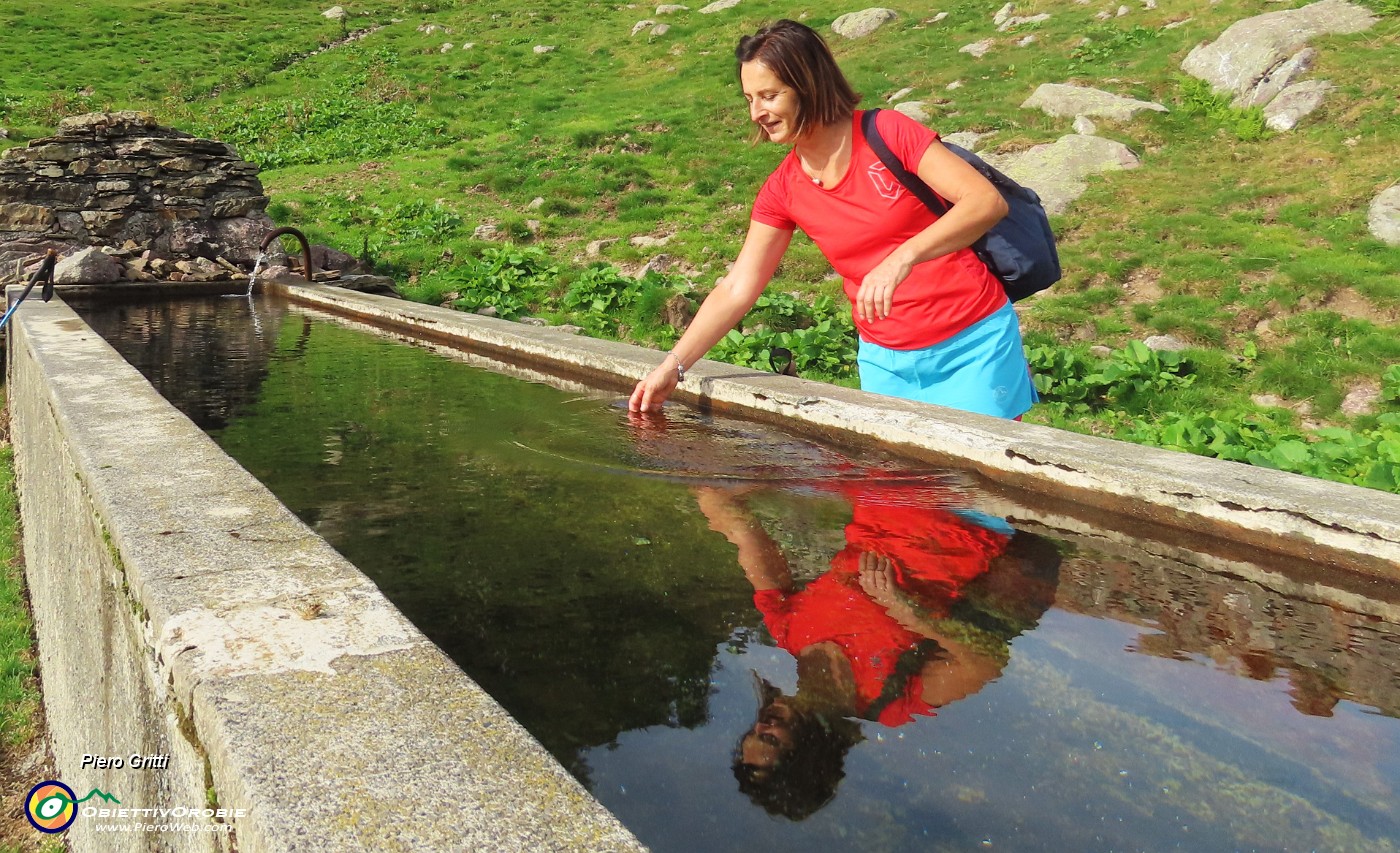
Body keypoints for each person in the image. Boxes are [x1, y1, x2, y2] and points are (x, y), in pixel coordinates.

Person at [629, 19, 1037, 419]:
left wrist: (902, 257)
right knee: (893, 486)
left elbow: (984, 202)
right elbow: (738, 286)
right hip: (885, 360)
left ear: (808, 85)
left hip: (973, 345)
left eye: (769, 96)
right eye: (749, 99)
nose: (756, 112)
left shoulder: (888, 133)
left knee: (974, 485)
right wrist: (674, 366)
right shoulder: (782, 189)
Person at [695, 483, 1061, 819]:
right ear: (808, 750)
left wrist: (742, 485)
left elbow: (737, 526)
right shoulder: (891, 700)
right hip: (960, 513)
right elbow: (989, 660)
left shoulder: (786, 629)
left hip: (879, 489)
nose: (763, 723)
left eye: (753, 732)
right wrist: (910, 615)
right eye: (771, 738)